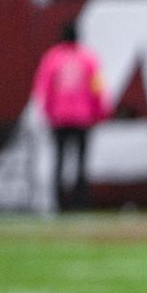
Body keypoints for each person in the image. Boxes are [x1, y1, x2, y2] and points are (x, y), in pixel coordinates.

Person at [31, 21, 111, 210]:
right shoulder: (88, 59)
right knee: (81, 163)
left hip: (59, 119)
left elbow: (44, 89)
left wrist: (48, 113)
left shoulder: (52, 58)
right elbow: (97, 88)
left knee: (59, 161)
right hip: (83, 118)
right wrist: (100, 113)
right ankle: (80, 204)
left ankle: (58, 204)